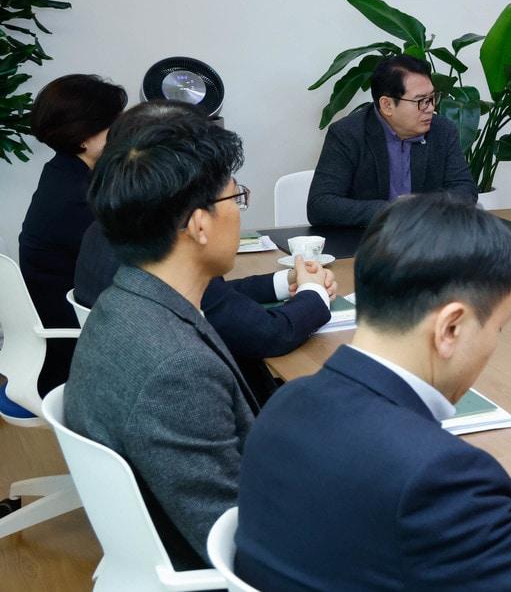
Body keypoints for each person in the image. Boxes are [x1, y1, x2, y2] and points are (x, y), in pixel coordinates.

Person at [236, 194, 511, 590]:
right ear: (450, 328)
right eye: (498, 327)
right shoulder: (432, 475)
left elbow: (422, 497)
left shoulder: (286, 403)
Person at [64, 112, 263, 569]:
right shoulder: (176, 368)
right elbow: (236, 544)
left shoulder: (123, 302)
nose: (239, 211)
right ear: (199, 225)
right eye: (235, 197)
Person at [72, 100, 335, 404]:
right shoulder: (184, 368)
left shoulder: (119, 241)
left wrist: (283, 282)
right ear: (199, 224)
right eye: (235, 198)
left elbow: (213, 298)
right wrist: (315, 292)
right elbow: (267, 334)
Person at [17, 74, 127, 392]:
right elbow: (134, 266)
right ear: (83, 138)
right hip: (77, 352)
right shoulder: (77, 198)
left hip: (80, 325)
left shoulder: (64, 172)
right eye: (115, 124)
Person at [307, 54, 477, 226]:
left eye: (432, 98)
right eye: (421, 101)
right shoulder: (348, 134)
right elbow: (320, 205)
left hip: (426, 236)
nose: (430, 107)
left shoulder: (442, 130)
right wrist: (392, 211)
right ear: (387, 105)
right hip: (367, 237)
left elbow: (465, 190)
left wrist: (421, 207)